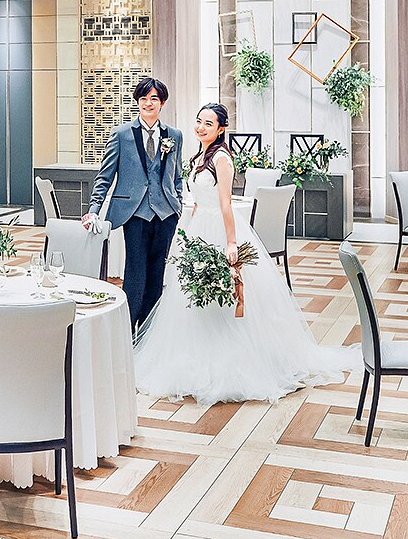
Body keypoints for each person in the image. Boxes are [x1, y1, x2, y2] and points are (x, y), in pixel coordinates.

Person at [133, 103, 359, 406]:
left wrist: (231, 243)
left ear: (221, 129)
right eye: (198, 121)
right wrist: (187, 233)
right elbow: (198, 200)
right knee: (192, 296)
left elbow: (225, 203)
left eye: (208, 124)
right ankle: (195, 353)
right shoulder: (199, 157)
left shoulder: (221, 158)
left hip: (219, 228)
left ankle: (235, 360)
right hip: (198, 228)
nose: (201, 127)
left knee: (224, 295)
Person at [83, 77, 183, 332]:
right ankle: (126, 332)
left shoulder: (174, 136)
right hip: (134, 214)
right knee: (135, 274)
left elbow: (177, 175)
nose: (148, 103)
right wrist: (93, 210)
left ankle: (148, 333)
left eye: (154, 99)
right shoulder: (121, 135)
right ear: (137, 102)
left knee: (157, 275)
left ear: (162, 103)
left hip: (166, 215)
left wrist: (178, 203)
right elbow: (104, 177)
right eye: (143, 99)